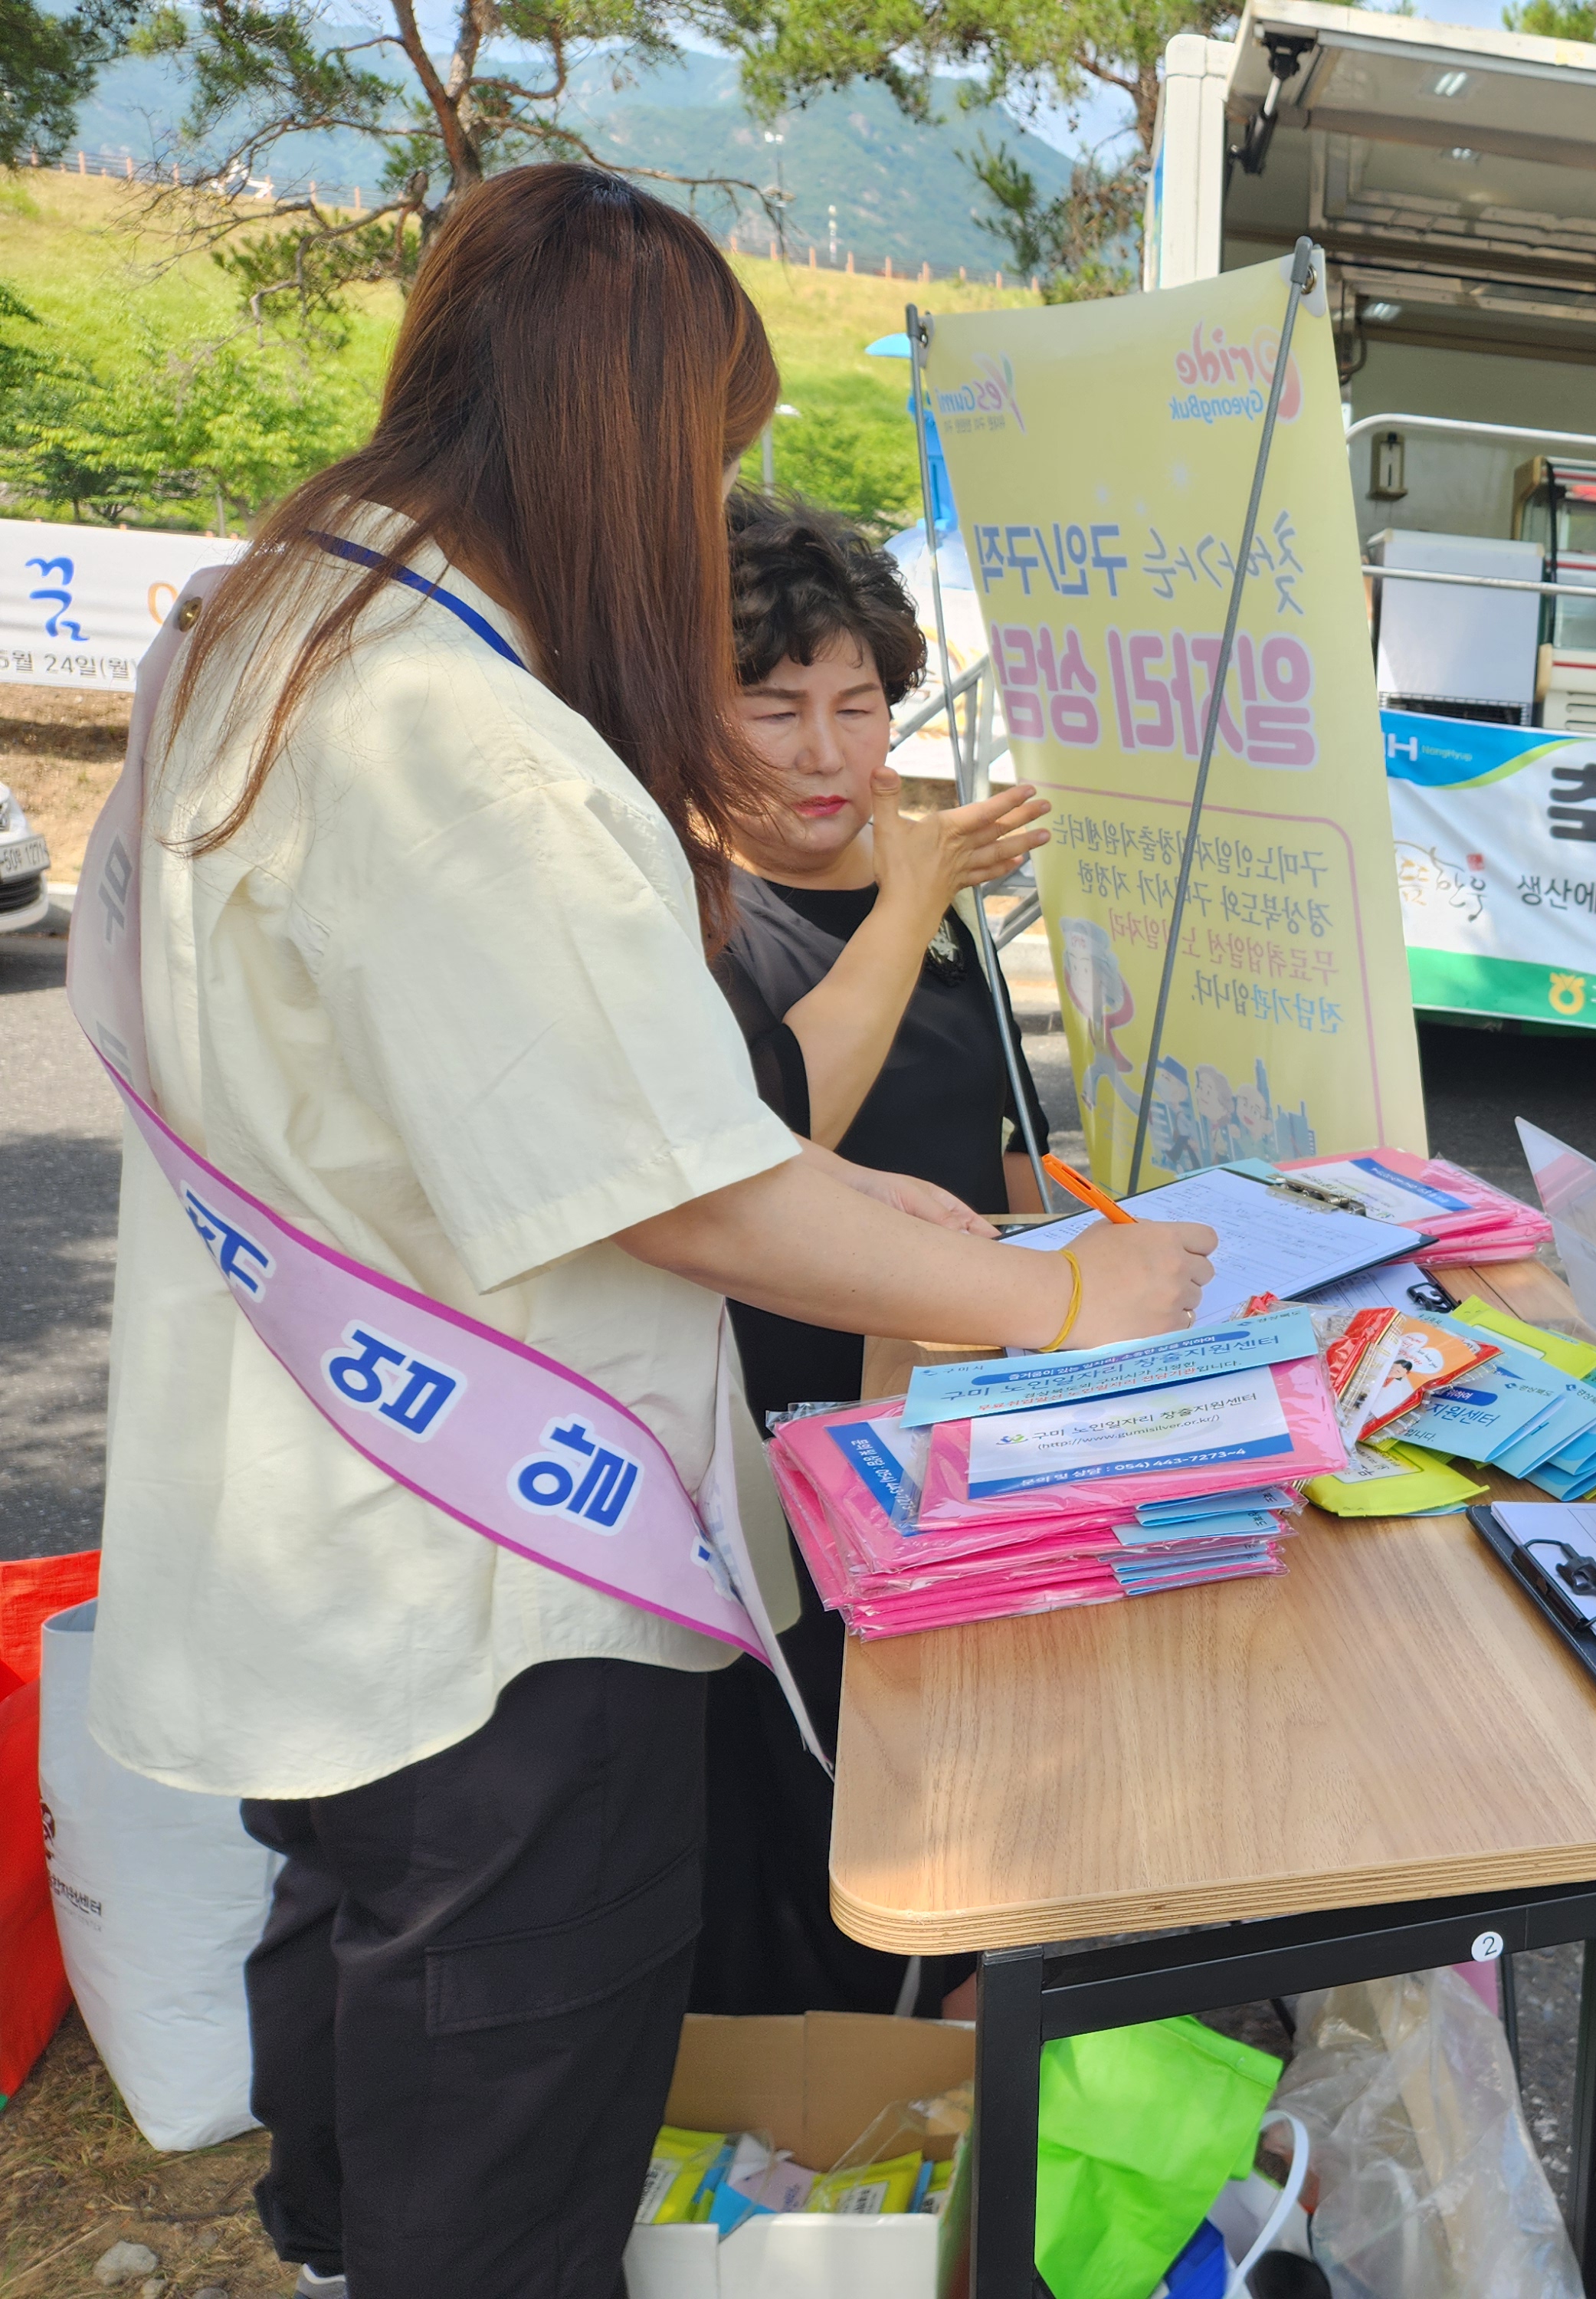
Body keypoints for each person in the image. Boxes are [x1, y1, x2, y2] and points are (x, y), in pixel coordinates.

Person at [92, 165, 1211, 2297]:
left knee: (357, 2001)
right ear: (627, 433)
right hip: (494, 1593)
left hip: (320, 1542)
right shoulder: (466, 743)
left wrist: (844, 1190)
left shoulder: (269, 631)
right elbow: (695, 1187)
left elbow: (531, 1123)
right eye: (709, 452)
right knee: (507, 2114)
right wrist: (1065, 1287)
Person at [693, 493, 1054, 2019]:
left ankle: (959, 2030)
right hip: (775, 1477)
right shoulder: (695, 917)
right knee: (807, 1824)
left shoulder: (931, 904)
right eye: (775, 709)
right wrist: (912, 895)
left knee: (967, 1808)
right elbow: (773, 1143)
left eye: (858, 705)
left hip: (950, 1457)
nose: (832, 751)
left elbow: (989, 1138)